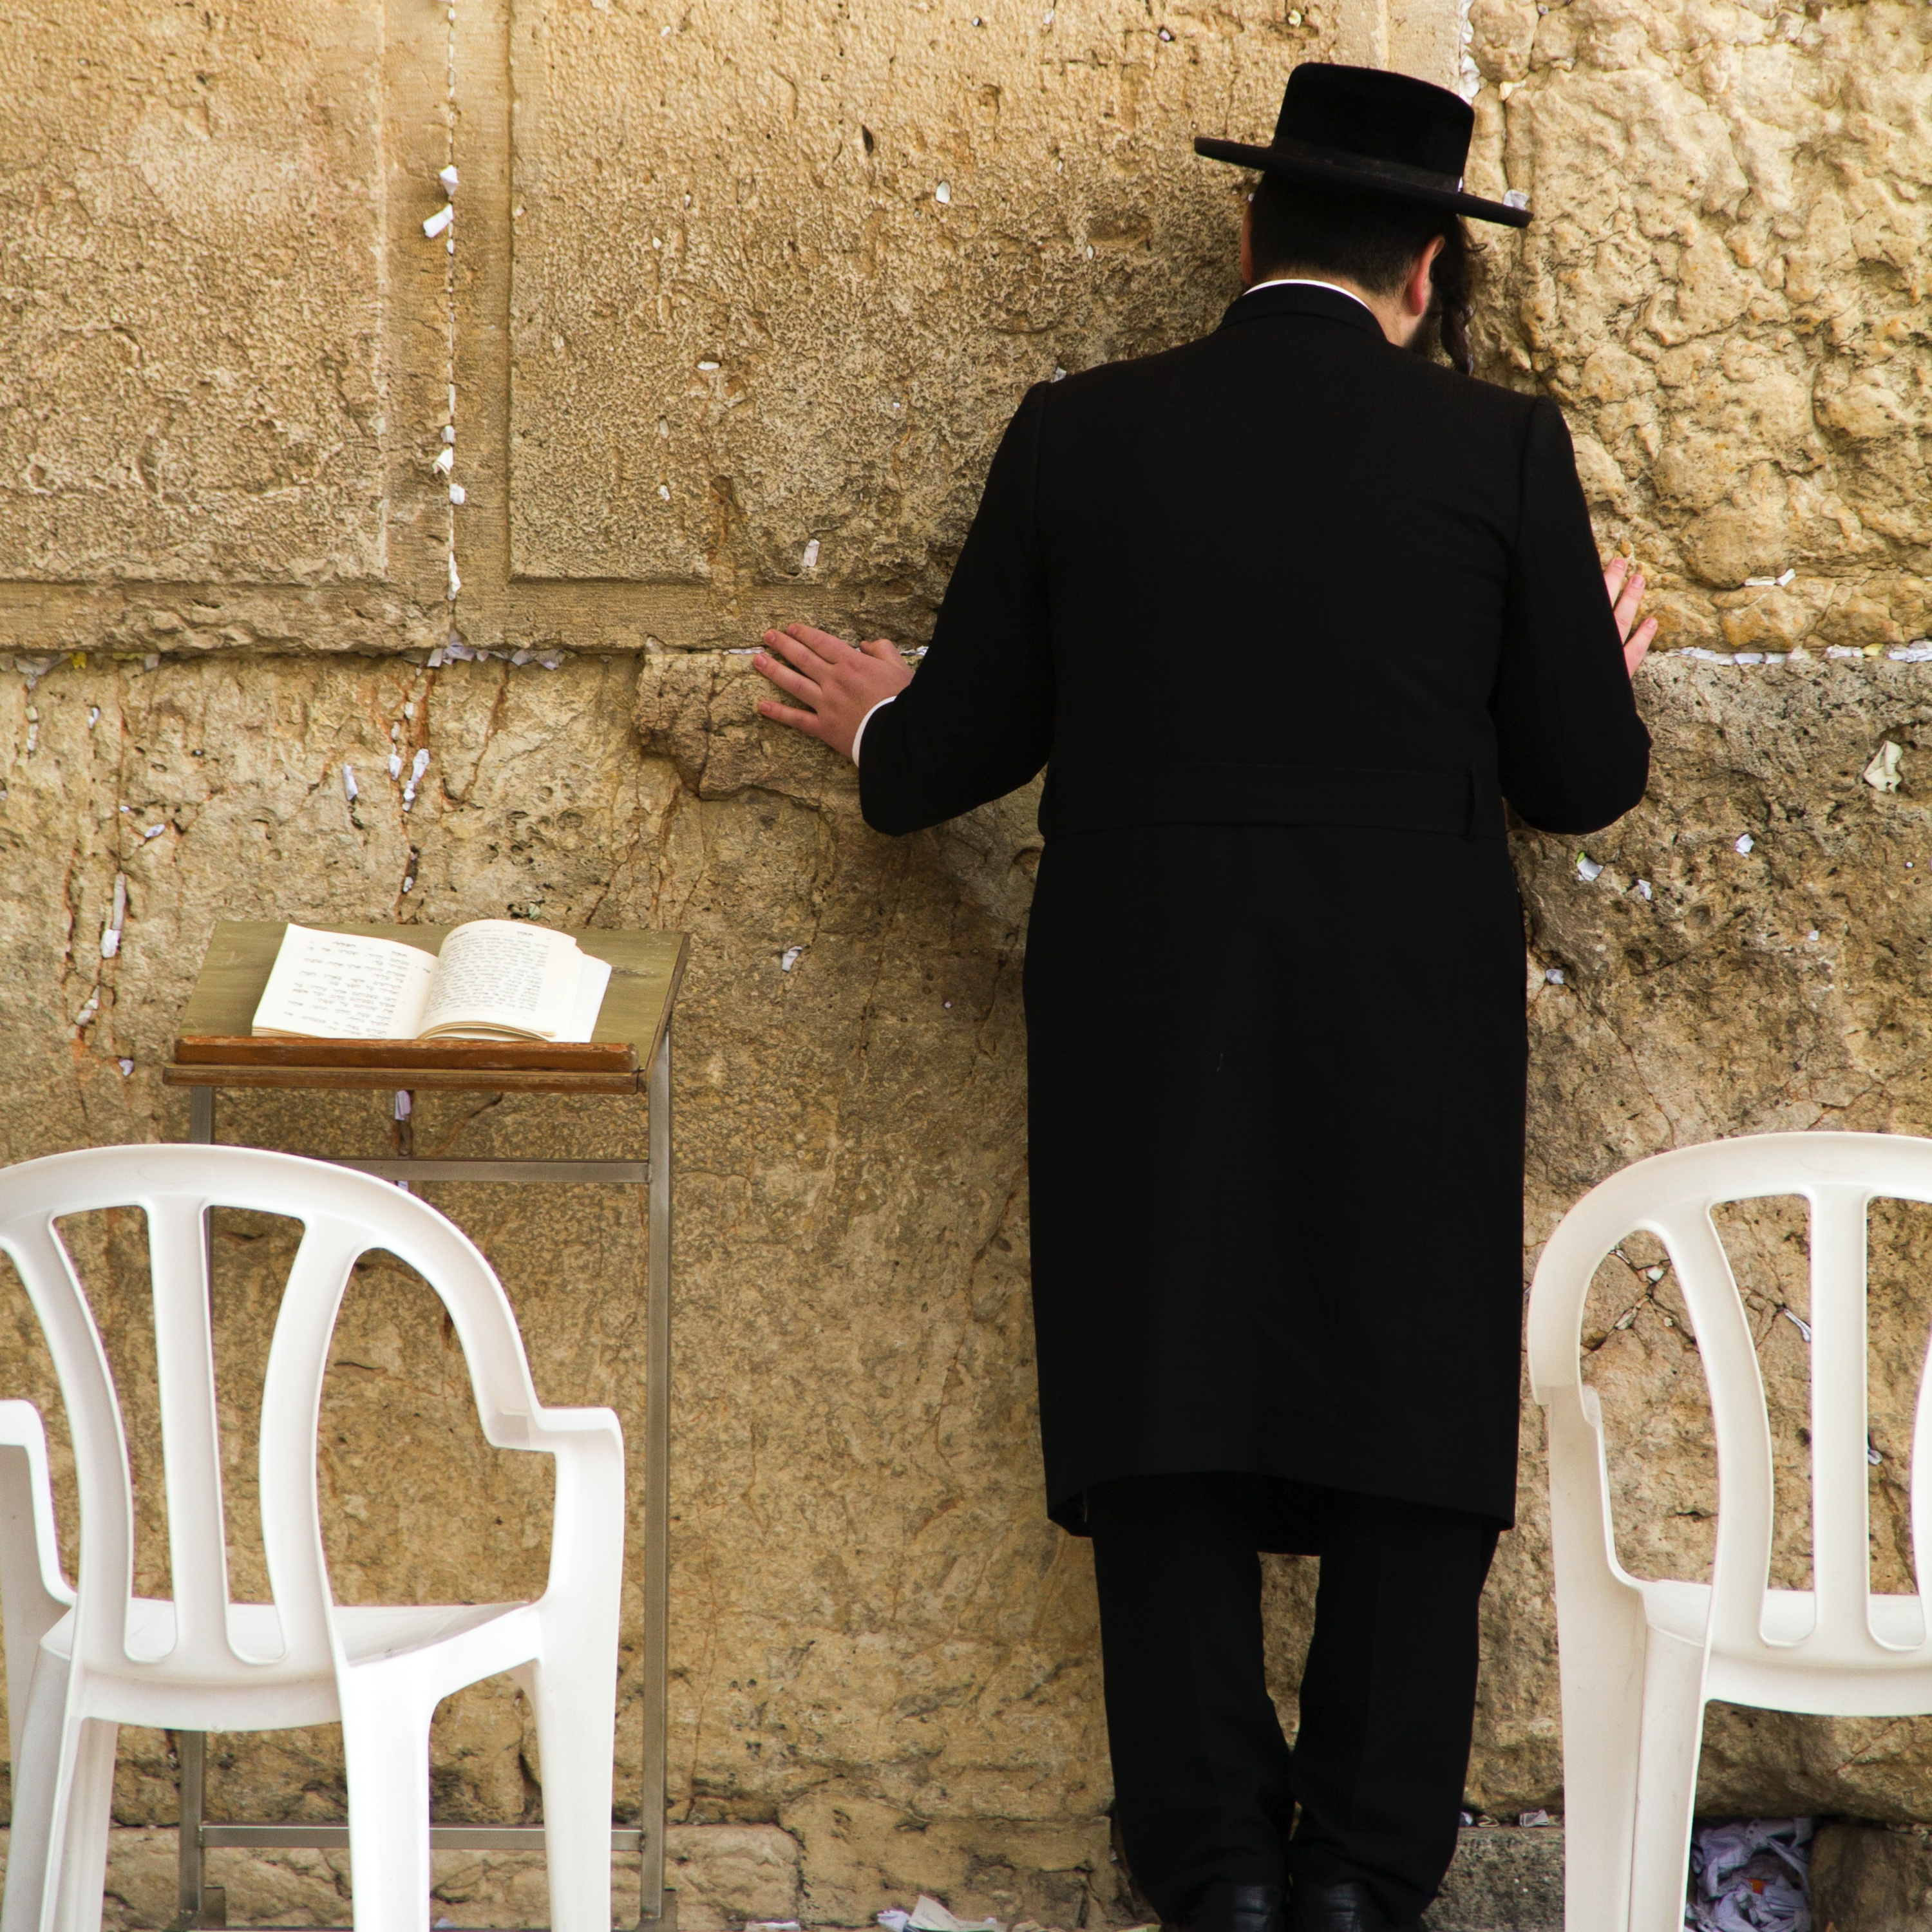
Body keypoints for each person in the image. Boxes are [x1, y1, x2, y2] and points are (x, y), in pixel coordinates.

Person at [750, 61, 1654, 1932]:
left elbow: (949, 756)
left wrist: (874, 721)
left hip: (1149, 1000)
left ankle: (1220, 1873)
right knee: (1410, 1408)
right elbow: (1577, 772)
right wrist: (1598, 659)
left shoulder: (1082, 434)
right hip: (1406, 1009)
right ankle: (1363, 1880)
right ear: (1426, 270)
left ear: (1247, 235)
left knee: (1163, 1383)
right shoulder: (1502, 457)